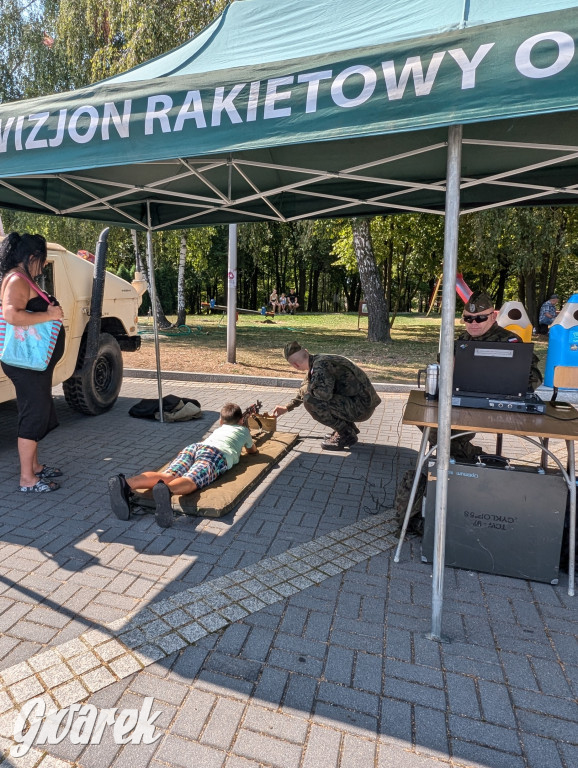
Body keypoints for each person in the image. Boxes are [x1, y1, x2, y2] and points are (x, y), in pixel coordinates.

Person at [108, 402, 259, 527]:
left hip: (196, 447)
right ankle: (167, 491)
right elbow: (252, 450)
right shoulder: (243, 430)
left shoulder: (220, 429)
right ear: (240, 420)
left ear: (221, 421)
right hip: (216, 455)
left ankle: (126, 483)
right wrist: (246, 432)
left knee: (168, 475)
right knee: (191, 478)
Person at [432, 290, 541, 461]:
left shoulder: (510, 342)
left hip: (498, 407)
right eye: (468, 318)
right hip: (464, 402)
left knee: (440, 435)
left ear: (492, 316)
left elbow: (533, 378)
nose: (473, 323)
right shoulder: (463, 339)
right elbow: (444, 363)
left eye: (480, 318)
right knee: (431, 424)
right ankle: (466, 462)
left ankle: (474, 460)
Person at [0, 233, 65, 492]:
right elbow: (11, 315)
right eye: (42, 261)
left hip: (32, 365)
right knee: (32, 415)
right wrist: (48, 314)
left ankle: (35, 467)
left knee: (37, 412)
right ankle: (27, 479)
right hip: (24, 364)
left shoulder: (22, 277)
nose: (42, 266)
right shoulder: (16, 279)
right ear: (31, 257)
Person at [271, 341, 381, 450]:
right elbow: (305, 387)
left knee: (310, 401)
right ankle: (346, 428)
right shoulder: (317, 361)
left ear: (295, 365)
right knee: (311, 394)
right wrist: (287, 407)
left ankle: (346, 433)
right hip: (361, 402)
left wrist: (309, 390)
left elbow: (322, 395)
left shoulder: (320, 367)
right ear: (306, 351)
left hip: (362, 408)